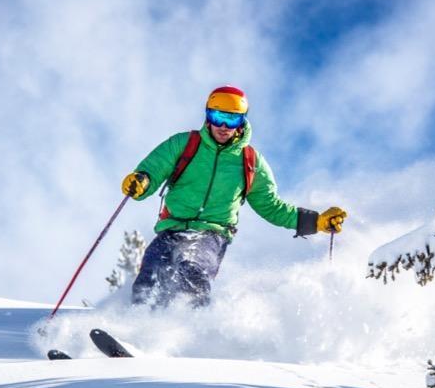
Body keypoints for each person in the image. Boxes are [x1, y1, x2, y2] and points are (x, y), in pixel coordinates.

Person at [120, 85, 346, 307]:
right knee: (150, 274)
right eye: (218, 117)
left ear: (242, 121)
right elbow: (154, 169)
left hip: (212, 233)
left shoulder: (250, 161)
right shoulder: (184, 144)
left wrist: (316, 222)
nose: (224, 126)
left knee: (192, 269)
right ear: (208, 116)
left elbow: (271, 206)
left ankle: (190, 328)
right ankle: (140, 328)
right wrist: (141, 181)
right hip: (172, 228)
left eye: (233, 119)